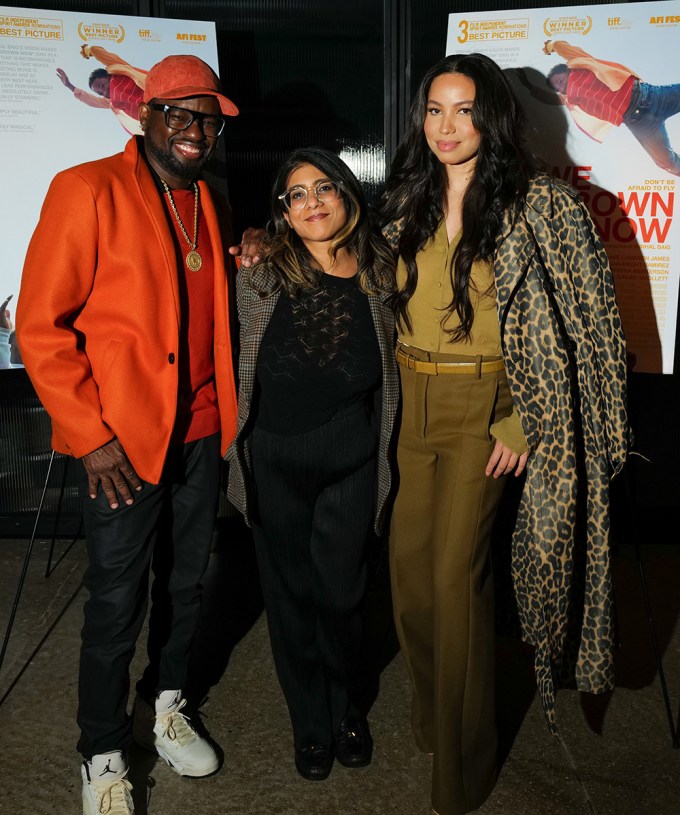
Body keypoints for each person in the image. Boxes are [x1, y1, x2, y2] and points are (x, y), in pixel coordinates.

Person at [380, 53, 629, 815]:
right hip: (410, 403)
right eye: (434, 110)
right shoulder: (406, 199)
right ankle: (433, 720)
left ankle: (462, 770)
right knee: (411, 581)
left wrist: (527, 417)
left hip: (487, 406)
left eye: (462, 110)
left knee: (457, 582)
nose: (446, 126)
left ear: (491, 116)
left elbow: (593, 329)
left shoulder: (542, 204)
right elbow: (349, 268)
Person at [17, 54, 240, 815]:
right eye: (177, 113)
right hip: (119, 444)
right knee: (116, 601)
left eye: (205, 117)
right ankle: (102, 747)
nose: (192, 129)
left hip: (202, 433)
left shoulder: (211, 200)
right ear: (143, 115)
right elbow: (41, 331)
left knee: (187, 584)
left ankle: (165, 703)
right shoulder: (87, 189)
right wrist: (91, 435)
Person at [226, 147, 398, 781]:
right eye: (296, 195)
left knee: (343, 594)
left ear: (348, 196)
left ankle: (347, 707)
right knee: (290, 594)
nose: (313, 202)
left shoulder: (383, 271)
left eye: (324, 188)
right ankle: (310, 719)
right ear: (284, 214)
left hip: (352, 457)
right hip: (275, 457)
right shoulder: (260, 275)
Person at [517, 39, 680, 175]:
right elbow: (549, 98)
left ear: (568, 71)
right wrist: (529, 87)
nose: (562, 88)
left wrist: (552, 46)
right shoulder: (571, 100)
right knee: (665, 162)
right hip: (640, 122)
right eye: (558, 88)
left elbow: (566, 49)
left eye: (560, 81)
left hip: (651, 97)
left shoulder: (579, 65)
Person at [57, 44, 148, 135]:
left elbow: (102, 54)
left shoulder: (119, 69)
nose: (104, 92)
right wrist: (69, 86)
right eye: (100, 93)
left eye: (103, 86)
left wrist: (88, 51)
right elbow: (92, 100)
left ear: (108, 75)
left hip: (154, 94)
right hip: (151, 117)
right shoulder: (110, 101)